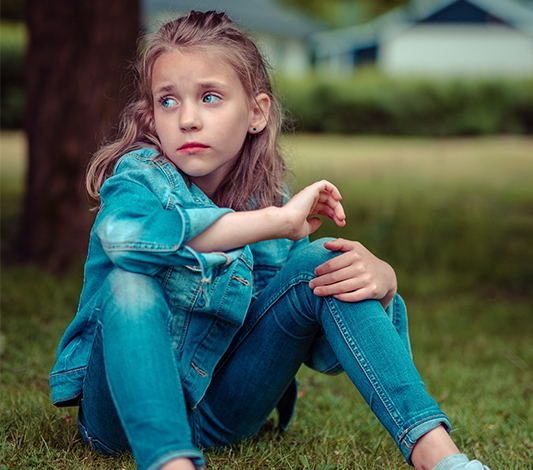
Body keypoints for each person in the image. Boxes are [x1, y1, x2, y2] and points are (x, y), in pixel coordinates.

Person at [50, 11, 491, 470]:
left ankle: (440, 458)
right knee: (129, 284)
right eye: (168, 101)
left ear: (257, 112)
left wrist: (384, 285)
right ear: (151, 113)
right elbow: (125, 242)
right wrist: (274, 222)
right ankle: (171, 463)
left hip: (223, 412)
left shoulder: (266, 199)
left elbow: (325, 352)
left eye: (210, 97)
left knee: (327, 260)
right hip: (118, 417)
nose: (188, 119)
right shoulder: (138, 177)